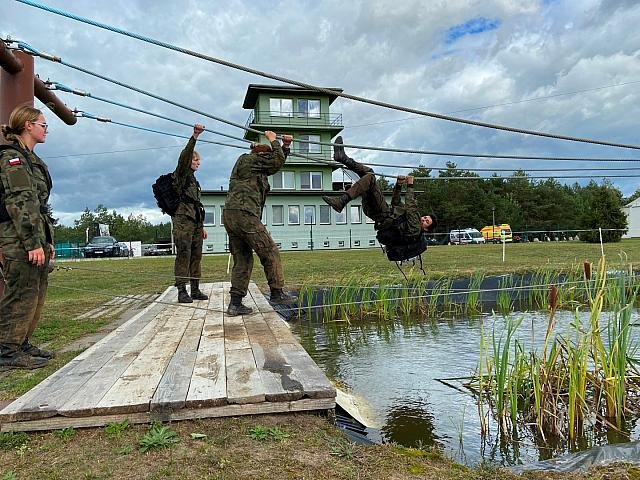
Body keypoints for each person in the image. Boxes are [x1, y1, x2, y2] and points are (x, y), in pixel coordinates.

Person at [0, 105, 55, 369]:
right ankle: (6, 350)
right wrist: (32, 243)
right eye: (43, 125)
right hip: (18, 238)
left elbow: (39, 206)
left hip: (34, 234)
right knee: (21, 291)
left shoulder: (31, 159)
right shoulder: (13, 159)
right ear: (28, 126)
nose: (46, 130)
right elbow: (19, 202)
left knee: (35, 291)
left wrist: (47, 240)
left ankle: (21, 342)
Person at [223, 131, 294, 316]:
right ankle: (277, 292)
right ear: (260, 156)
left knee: (243, 259)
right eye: (266, 156)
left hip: (234, 216)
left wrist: (285, 148)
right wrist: (274, 140)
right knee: (270, 251)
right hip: (244, 215)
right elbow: (274, 163)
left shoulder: (256, 171)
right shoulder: (247, 160)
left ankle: (235, 304)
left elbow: (276, 162)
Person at [322, 136, 437, 248]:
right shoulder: (411, 220)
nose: (424, 219)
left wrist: (410, 185)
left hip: (382, 214)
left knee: (371, 177)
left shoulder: (415, 228)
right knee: (369, 173)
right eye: (425, 217)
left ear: (426, 229)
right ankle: (342, 158)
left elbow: (411, 206)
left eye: (427, 221)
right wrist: (398, 185)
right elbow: (396, 203)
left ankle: (341, 201)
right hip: (381, 212)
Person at [173, 124, 209, 303]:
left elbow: (196, 205)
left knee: (196, 255)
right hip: (182, 221)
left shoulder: (194, 181)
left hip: (194, 222)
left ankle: (195, 289)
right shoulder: (180, 174)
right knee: (184, 254)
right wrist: (194, 136)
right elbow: (184, 157)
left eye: (198, 161)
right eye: (195, 160)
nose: (198, 163)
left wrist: (201, 226)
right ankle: (182, 291)